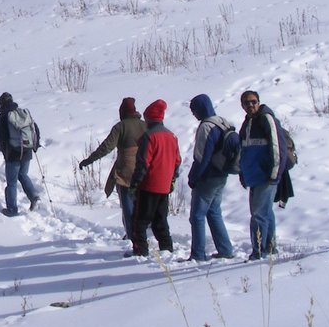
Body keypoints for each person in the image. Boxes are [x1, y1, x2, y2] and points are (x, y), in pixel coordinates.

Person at [78, 98, 146, 246]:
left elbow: (106, 147)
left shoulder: (120, 127)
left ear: (122, 112)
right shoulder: (145, 125)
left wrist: (88, 160)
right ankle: (140, 233)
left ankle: (132, 235)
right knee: (140, 204)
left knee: (127, 205)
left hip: (125, 171)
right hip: (144, 170)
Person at [186, 94, 237, 261]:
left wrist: (193, 178)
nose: (194, 114)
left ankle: (198, 254)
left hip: (208, 177)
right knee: (214, 212)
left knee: (197, 216)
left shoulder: (206, 127)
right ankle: (225, 249)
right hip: (222, 174)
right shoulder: (223, 121)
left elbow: (201, 157)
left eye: (194, 110)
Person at [128, 99, 180, 257]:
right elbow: (177, 161)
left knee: (140, 221)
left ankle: (140, 251)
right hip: (164, 185)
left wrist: (135, 184)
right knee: (160, 219)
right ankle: (166, 248)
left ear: (149, 118)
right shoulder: (171, 136)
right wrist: (172, 179)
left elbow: (143, 163)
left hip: (148, 185)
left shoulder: (148, 137)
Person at [238, 90, 284, 260]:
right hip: (253, 175)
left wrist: (274, 173)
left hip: (266, 175)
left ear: (259, 102)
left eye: (253, 101)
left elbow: (276, 146)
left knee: (258, 214)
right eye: (246, 103)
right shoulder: (247, 123)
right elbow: (243, 150)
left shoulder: (266, 118)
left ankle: (258, 252)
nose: (250, 105)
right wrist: (243, 173)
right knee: (265, 213)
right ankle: (270, 248)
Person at [0, 93, 41, 215]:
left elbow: (1, 138)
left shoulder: (3, 117)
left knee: (12, 182)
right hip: (27, 151)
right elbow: (35, 129)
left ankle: (12, 209)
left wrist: (5, 153)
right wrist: (35, 145)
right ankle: (34, 196)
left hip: (13, 154)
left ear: (1, 103)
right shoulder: (22, 113)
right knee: (23, 175)